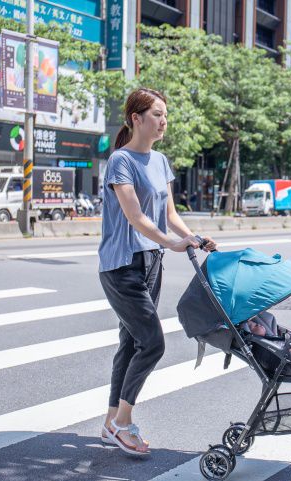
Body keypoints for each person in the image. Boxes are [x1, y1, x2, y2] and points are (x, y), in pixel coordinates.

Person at [98, 87, 217, 456]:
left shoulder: (160, 161)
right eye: (157, 114)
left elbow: (169, 215)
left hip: (151, 264)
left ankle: (109, 422)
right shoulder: (121, 161)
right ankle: (123, 423)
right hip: (121, 267)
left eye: (165, 115)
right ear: (136, 118)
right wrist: (171, 242)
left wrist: (192, 238)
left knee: (130, 343)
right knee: (152, 343)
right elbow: (135, 216)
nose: (163, 121)